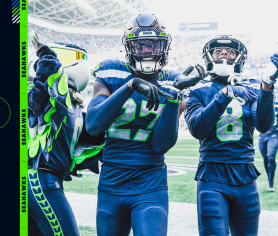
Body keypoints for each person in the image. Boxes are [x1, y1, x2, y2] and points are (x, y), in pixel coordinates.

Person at [85, 13, 205, 236]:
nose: (149, 52)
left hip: (150, 182)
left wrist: (174, 96)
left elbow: (161, 144)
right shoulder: (112, 73)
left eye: (154, 45)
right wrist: (130, 86)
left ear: (164, 47)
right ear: (129, 48)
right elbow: (93, 125)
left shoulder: (172, 81)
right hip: (112, 180)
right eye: (141, 46)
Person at [185, 35, 277, 235]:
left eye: (231, 52)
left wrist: (267, 86)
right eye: (219, 52)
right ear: (210, 57)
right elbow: (196, 128)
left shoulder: (251, 88)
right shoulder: (199, 90)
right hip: (212, 175)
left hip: (245, 175)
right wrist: (224, 95)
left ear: (239, 59)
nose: (225, 54)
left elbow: (264, 125)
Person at [27, 33, 104, 236]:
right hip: (40, 181)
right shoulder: (42, 94)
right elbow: (40, 93)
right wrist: (46, 54)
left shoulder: (73, 106)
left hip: (41, 181)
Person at [259, 98, 278, 192]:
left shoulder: (277, 105)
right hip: (262, 135)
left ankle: (271, 183)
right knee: (265, 159)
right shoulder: (262, 104)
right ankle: (269, 178)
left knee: (271, 156)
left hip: (274, 135)